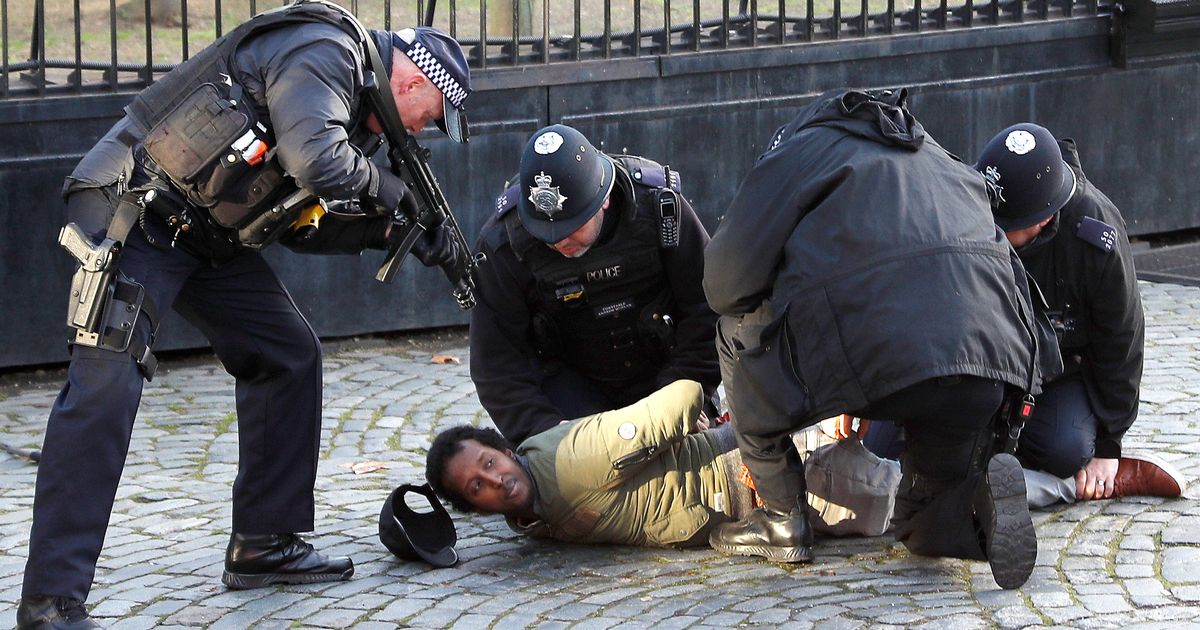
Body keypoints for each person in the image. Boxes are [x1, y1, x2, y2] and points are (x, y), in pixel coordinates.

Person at [18, 2, 472, 627]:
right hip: (133, 207)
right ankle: (49, 600)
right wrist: (394, 194)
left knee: (286, 353)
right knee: (107, 383)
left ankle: (265, 543)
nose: (424, 133)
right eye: (435, 118)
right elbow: (315, 158)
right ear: (415, 81)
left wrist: (392, 231)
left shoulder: (356, 115)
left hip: (203, 233)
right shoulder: (327, 51)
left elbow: (301, 225)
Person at [702, 88, 1056, 590]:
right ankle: (977, 509)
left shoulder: (798, 152)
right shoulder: (941, 156)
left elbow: (724, 283)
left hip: (878, 357)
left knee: (733, 329)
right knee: (916, 520)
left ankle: (782, 520)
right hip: (988, 366)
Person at [970, 122, 1184, 507]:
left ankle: (1083, 476)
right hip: (991, 359)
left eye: (1004, 227)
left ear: (1041, 219)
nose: (992, 232)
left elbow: (1123, 337)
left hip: (1060, 369)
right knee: (900, 440)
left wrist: (1108, 447)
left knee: (1066, 450)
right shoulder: (977, 213)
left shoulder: (1095, 238)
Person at [468, 124, 720, 445]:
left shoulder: (659, 209)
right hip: (571, 394)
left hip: (668, 373)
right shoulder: (504, 244)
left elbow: (709, 309)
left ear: (604, 201)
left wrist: (684, 392)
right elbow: (497, 365)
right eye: (546, 233)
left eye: (572, 226)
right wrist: (547, 435)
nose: (560, 241)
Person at [424, 380, 899, 548]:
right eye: (476, 488)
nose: (495, 481)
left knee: (917, 504)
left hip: (778, 473)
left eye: (489, 462)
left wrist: (685, 429)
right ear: (475, 510)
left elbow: (684, 395)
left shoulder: (570, 459)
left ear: (506, 449)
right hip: (760, 499)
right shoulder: (529, 517)